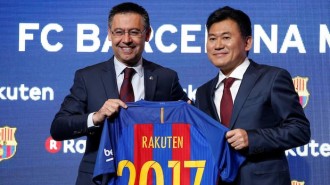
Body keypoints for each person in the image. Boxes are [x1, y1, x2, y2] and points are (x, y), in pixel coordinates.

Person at [50, 2, 189, 185]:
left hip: (149, 176)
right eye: (118, 32)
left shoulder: (166, 77)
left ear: (147, 35)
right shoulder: (87, 77)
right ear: (109, 34)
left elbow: (188, 116)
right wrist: (96, 117)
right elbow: (58, 128)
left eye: (134, 32)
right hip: (98, 178)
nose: (126, 39)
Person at [195, 6, 310, 185]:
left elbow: (300, 130)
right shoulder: (202, 93)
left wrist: (252, 138)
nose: (217, 45)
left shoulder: (272, 78)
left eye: (226, 37)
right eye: (212, 38)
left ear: (247, 42)